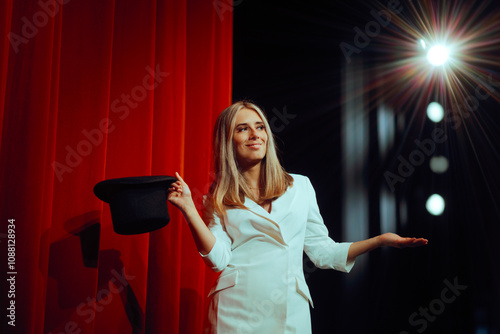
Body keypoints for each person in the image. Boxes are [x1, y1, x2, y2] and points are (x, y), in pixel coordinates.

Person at [167, 101, 428, 334]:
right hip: (235, 310)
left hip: (289, 308)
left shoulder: (300, 186)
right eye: (242, 129)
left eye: (260, 127)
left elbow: (323, 252)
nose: (255, 134)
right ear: (227, 141)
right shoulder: (217, 198)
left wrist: (380, 240)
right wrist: (190, 210)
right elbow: (217, 259)